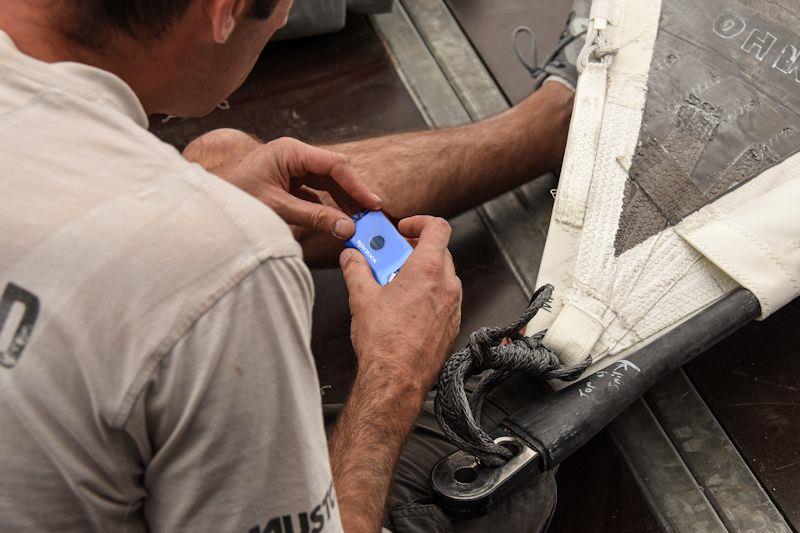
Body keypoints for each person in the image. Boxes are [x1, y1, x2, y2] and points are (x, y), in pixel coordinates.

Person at [0, 0, 580, 531]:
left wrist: (200, 198)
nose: (284, 18)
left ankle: (549, 124)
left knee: (217, 158)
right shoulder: (232, 270)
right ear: (225, 10)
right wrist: (395, 371)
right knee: (502, 478)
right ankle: (560, 120)